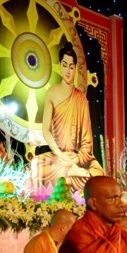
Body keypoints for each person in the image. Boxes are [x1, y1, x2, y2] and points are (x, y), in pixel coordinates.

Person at [32, 42, 105, 194]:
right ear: (60, 66)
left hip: (76, 158)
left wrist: (74, 160)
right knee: (36, 165)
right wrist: (59, 154)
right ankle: (71, 174)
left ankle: (71, 173)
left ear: (75, 69)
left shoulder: (81, 99)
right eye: (65, 65)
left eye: (71, 67)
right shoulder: (51, 93)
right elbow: (45, 130)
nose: (68, 71)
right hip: (57, 155)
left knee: (100, 174)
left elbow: (87, 143)